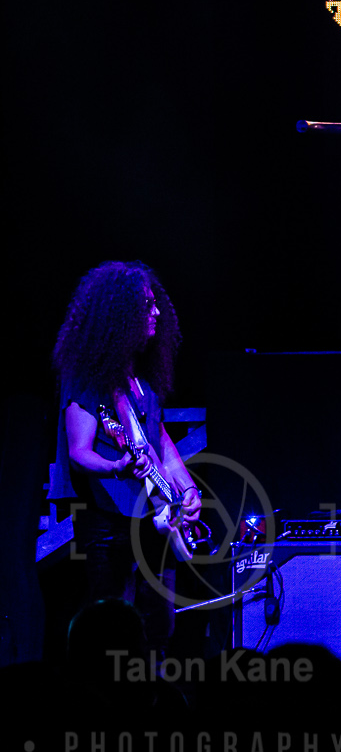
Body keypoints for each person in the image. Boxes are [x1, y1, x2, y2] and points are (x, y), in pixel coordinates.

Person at [49, 261, 204, 644]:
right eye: (147, 305)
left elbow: (159, 439)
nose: (157, 312)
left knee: (159, 626)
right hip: (110, 521)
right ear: (120, 314)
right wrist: (117, 465)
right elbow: (79, 452)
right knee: (113, 629)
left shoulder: (142, 380)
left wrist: (188, 488)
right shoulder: (88, 377)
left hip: (154, 519)